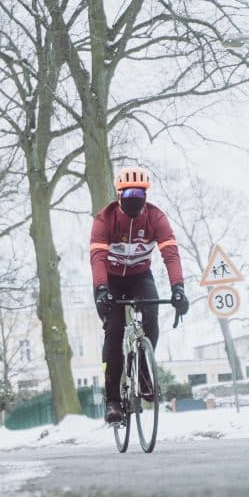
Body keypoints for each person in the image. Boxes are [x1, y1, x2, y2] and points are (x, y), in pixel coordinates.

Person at [89, 166, 189, 424]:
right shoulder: (105, 219)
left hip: (139, 276)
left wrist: (178, 287)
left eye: (140, 193)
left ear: (146, 195)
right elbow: (98, 257)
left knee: (151, 316)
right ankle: (112, 401)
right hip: (110, 280)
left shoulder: (156, 218)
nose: (135, 197)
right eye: (129, 192)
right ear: (119, 195)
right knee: (114, 331)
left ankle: (145, 372)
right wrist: (101, 288)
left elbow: (170, 254)